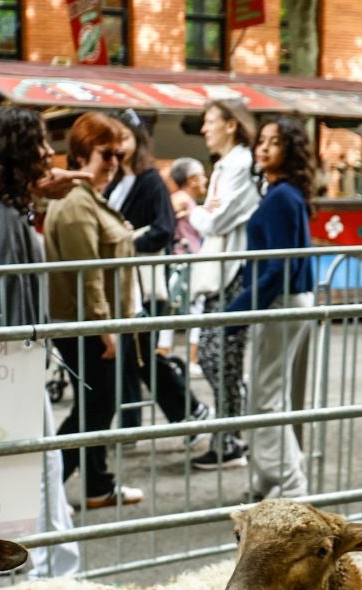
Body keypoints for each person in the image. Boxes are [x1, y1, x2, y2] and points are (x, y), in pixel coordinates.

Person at [0, 106, 80, 578]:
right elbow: (12, 300)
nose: (48, 152)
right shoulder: (3, 217)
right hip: (11, 363)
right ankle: (42, 575)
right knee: (38, 473)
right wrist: (27, 358)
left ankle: (39, 571)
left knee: (28, 471)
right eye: (39, 143)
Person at [45, 112, 143, 510]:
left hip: (93, 323)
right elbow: (89, 274)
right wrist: (105, 328)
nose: (114, 162)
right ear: (82, 154)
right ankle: (47, 489)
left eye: (119, 154)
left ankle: (95, 484)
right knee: (94, 408)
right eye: (106, 153)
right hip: (85, 325)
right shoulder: (76, 203)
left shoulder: (87, 199)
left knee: (97, 406)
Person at [226, 117, 316, 502]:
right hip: (287, 300)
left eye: (274, 142)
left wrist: (236, 311)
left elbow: (279, 267)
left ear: (289, 150)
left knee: (266, 400)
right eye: (261, 141)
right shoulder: (283, 193)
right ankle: (270, 479)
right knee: (268, 396)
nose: (263, 148)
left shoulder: (281, 197)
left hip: (282, 301)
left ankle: (291, 486)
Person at [110, 117, 202, 433]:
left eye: (124, 138)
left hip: (143, 282)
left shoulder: (149, 180)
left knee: (141, 355)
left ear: (138, 139)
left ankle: (190, 412)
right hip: (122, 281)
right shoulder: (114, 179)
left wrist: (128, 240)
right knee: (133, 355)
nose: (118, 146)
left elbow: (164, 228)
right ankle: (139, 424)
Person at [189, 99, 263, 471]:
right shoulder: (226, 166)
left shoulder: (240, 165)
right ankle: (229, 434)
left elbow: (215, 221)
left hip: (233, 273)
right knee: (213, 356)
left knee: (222, 357)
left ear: (231, 125)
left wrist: (194, 210)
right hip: (222, 273)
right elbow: (214, 216)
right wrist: (206, 211)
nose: (205, 129)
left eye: (210, 121)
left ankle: (230, 440)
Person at [169, 157, 207, 255]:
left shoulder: (187, 200)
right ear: (192, 180)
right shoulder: (180, 199)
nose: (205, 180)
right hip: (182, 257)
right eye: (202, 175)